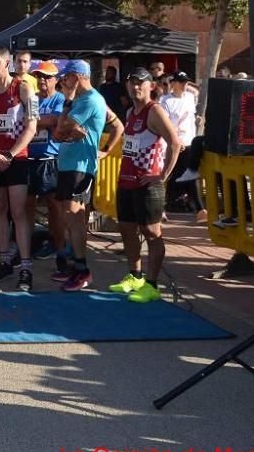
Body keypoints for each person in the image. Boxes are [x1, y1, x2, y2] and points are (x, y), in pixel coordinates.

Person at [109, 68, 181, 303]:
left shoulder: (155, 111)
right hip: (127, 181)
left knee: (151, 232)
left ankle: (152, 284)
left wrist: (162, 176)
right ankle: (135, 275)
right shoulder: (131, 111)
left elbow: (175, 143)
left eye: (140, 83)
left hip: (147, 183)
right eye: (132, 83)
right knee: (127, 229)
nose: (135, 87)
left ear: (151, 86)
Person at [52, 59, 124, 291]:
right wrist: (104, 150)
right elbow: (117, 125)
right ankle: (76, 266)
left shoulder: (89, 99)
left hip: (80, 168)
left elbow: (60, 129)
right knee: (70, 217)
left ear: (79, 76)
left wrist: (103, 152)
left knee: (74, 218)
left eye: (67, 77)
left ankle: (83, 270)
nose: (63, 81)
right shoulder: (91, 100)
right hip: (70, 164)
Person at [0, 46, 39, 291]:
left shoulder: (24, 88)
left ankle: (25, 266)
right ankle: (4, 260)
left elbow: (32, 127)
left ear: (8, 63)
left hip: (17, 159)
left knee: (19, 211)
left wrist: (10, 155)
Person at [26, 62, 67, 270]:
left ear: (56, 80)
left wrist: (34, 121)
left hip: (50, 160)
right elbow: (26, 120)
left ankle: (59, 251)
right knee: (26, 207)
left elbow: (54, 120)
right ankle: (25, 250)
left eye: (47, 77)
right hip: (30, 159)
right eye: (39, 76)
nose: (42, 80)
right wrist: (36, 121)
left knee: (55, 209)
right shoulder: (32, 98)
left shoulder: (60, 99)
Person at [161, 71, 203, 218]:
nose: (184, 85)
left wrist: (197, 120)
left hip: (190, 143)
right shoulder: (165, 101)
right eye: (181, 82)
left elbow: (191, 116)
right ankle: (161, 207)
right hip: (173, 144)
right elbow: (165, 124)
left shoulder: (191, 98)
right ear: (173, 84)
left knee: (189, 174)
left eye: (186, 82)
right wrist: (175, 140)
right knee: (169, 174)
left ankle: (200, 209)